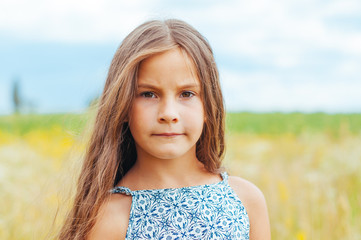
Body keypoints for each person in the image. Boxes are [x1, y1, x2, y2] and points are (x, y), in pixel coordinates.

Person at [58, 19, 270, 240]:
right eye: (148, 94)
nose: (169, 113)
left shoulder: (246, 200)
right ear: (123, 106)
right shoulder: (109, 219)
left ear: (209, 106)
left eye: (187, 94)